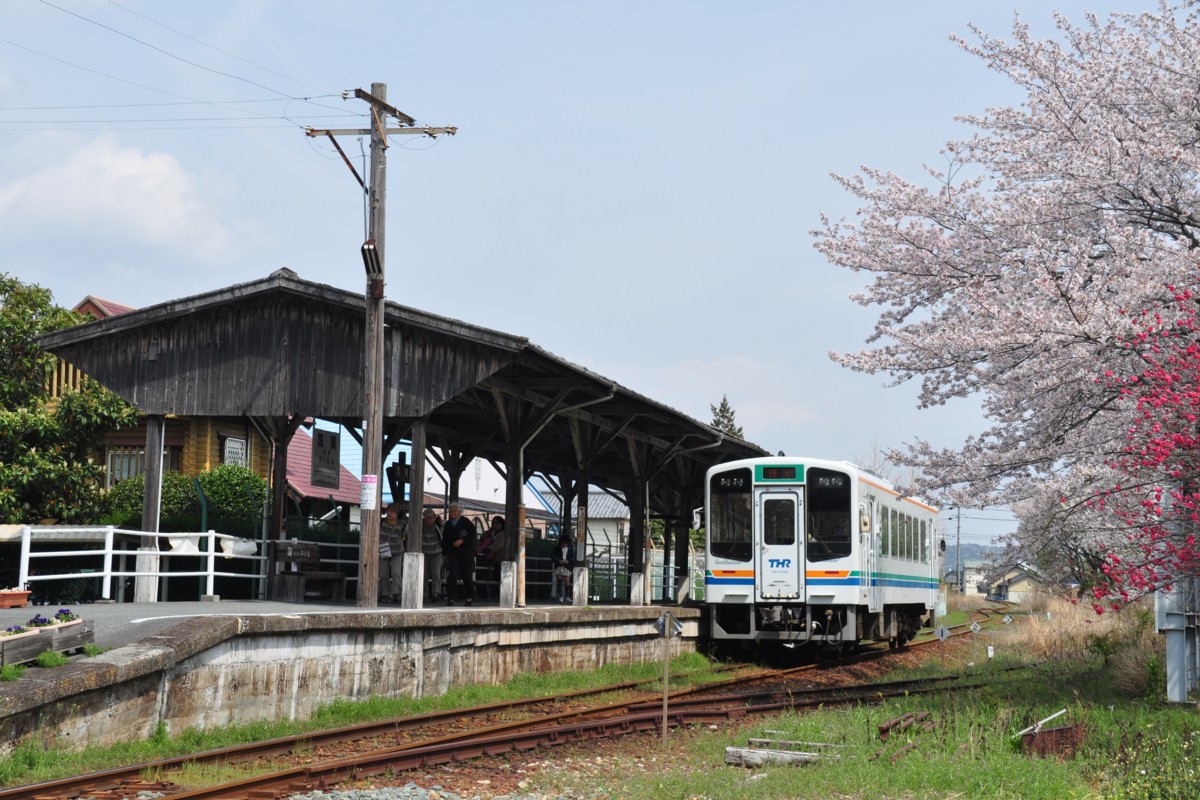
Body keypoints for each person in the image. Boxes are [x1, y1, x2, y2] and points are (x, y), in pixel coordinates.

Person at [440, 502, 477, 605]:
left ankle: (469, 598)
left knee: (467, 576)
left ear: (460, 512)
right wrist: (445, 553)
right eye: (451, 510)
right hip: (453, 553)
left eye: (454, 510)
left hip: (466, 553)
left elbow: (473, 535)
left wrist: (462, 540)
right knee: (453, 575)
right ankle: (451, 598)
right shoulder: (448, 524)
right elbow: (445, 540)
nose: (452, 512)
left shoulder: (465, 522)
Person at [379, 503, 407, 601]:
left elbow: (404, 537)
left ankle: (397, 593)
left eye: (392, 511)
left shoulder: (402, 525)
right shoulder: (381, 522)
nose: (389, 513)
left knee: (396, 572)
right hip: (384, 548)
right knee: (383, 574)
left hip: (397, 550)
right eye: (388, 511)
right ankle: (385, 594)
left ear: (396, 513)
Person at [420, 508, 444, 601]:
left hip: (436, 553)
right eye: (429, 518)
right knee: (424, 575)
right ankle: (424, 594)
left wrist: (441, 523)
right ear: (425, 519)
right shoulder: (421, 526)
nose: (431, 520)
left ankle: (436, 593)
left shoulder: (438, 526)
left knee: (436, 573)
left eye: (433, 517)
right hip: (424, 553)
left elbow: (444, 535)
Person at [549, 533, 575, 604]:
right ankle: (560, 597)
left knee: (567, 582)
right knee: (559, 581)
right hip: (559, 566)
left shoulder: (570, 549)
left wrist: (568, 561)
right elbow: (552, 556)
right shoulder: (557, 548)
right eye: (563, 543)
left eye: (565, 543)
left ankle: (567, 597)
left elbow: (573, 558)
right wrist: (558, 561)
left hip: (567, 566)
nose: (564, 544)